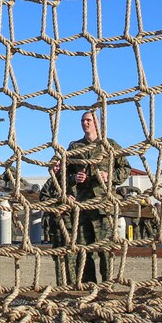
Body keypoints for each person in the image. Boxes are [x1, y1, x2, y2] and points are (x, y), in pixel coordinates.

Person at [66, 109, 130, 284]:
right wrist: (74, 178)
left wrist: (109, 176)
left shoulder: (110, 145)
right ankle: (88, 286)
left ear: (97, 122)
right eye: (83, 120)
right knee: (83, 249)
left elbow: (125, 168)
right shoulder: (75, 147)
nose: (85, 123)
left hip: (103, 205)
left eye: (88, 120)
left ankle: (107, 284)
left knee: (105, 249)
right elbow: (64, 173)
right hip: (83, 205)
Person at [39, 157, 75, 286]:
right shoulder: (50, 183)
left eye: (58, 165)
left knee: (72, 254)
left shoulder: (71, 179)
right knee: (59, 255)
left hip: (72, 224)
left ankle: (74, 283)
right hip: (56, 223)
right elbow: (43, 199)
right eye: (53, 165)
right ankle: (61, 284)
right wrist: (59, 199)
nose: (56, 168)